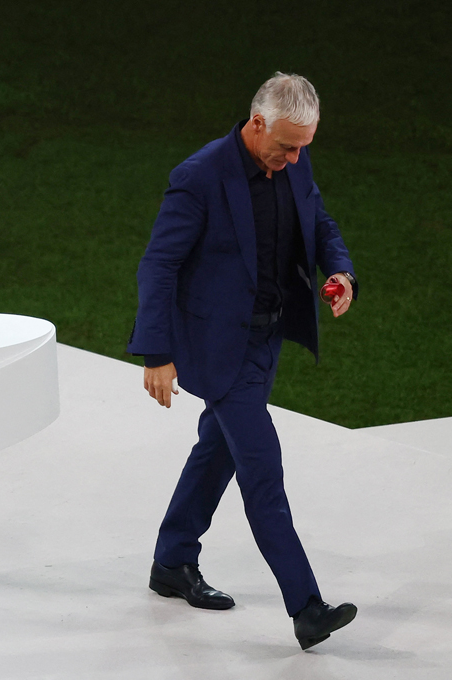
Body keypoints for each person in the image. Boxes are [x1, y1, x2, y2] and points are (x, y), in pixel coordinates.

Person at [127, 72, 358, 650]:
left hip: (266, 339)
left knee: (220, 449)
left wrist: (340, 270)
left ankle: (172, 560)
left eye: (304, 146)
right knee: (261, 466)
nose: (296, 157)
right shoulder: (200, 176)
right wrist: (158, 352)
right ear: (257, 124)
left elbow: (320, 222)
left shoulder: (293, 159)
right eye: (286, 146)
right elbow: (159, 265)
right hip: (218, 348)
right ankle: (306, 607)